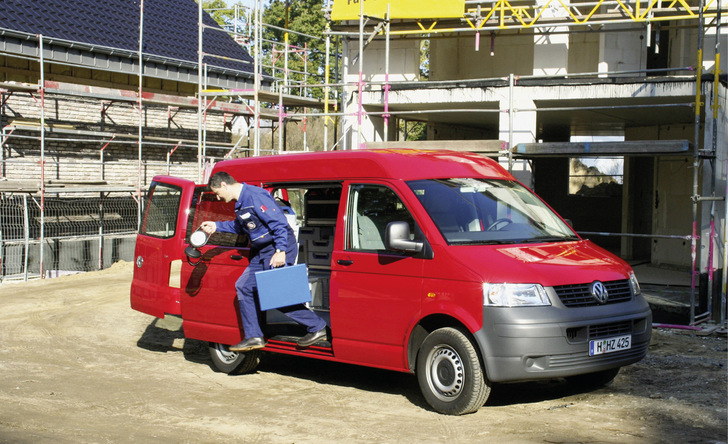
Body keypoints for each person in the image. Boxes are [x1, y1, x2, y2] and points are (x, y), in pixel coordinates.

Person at [200, 171, 327, 352]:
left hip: (276, 247)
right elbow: (241, 226)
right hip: (262, 251)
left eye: (218, 193)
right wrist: (216, 226)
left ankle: (317, 327)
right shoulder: (241, 203)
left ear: (223, 185)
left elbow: (280, 224)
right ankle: (254, 336)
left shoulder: (255, 196)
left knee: (276, 295)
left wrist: (281, 250)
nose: (219, 198)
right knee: (244, 286)